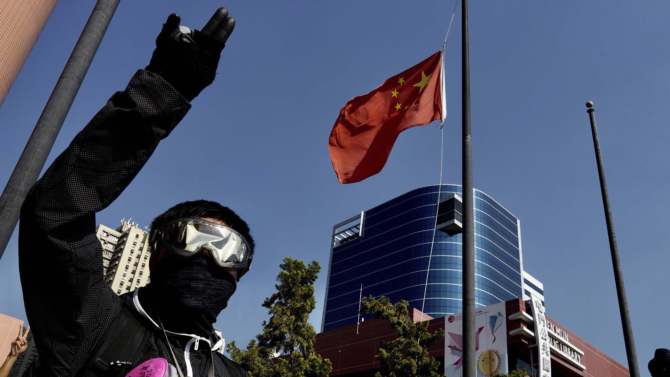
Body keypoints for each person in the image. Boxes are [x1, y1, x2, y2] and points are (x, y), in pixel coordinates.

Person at [18, 7, 253, 377]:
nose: (208, 256)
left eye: (230, 250)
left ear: (239, 274)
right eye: (193, 237)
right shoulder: (92, 323)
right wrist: (162, 92)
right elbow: (56, 212)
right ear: (156, 249)